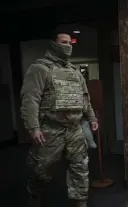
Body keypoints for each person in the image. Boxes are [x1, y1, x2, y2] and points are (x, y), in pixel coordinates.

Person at [20, 26, 98, 207]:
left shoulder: (75, 72)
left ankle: (80, 202)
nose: (68, 46)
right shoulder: (40, 69)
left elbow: (85, 98)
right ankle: (33, 193)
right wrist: (33, 127)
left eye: (70, 43)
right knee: (41, 169)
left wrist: (92, 118)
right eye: (64, 42)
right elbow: (30, 100)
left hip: (74, 129)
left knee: (80, 168)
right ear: (53, 44)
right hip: (50, 129)